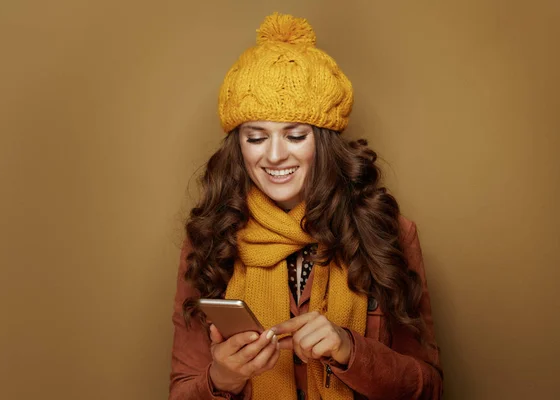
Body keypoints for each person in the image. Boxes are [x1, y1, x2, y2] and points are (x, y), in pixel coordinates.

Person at [169, 12, 442, 400]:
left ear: (324, 142)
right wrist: (221, 379)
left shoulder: (386, 232)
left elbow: (428, 388)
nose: (276, 155)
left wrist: (349, 349)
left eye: (296, 135)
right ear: (238, 146)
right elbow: (181, 391)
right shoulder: (209, 238)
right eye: (256, 137)